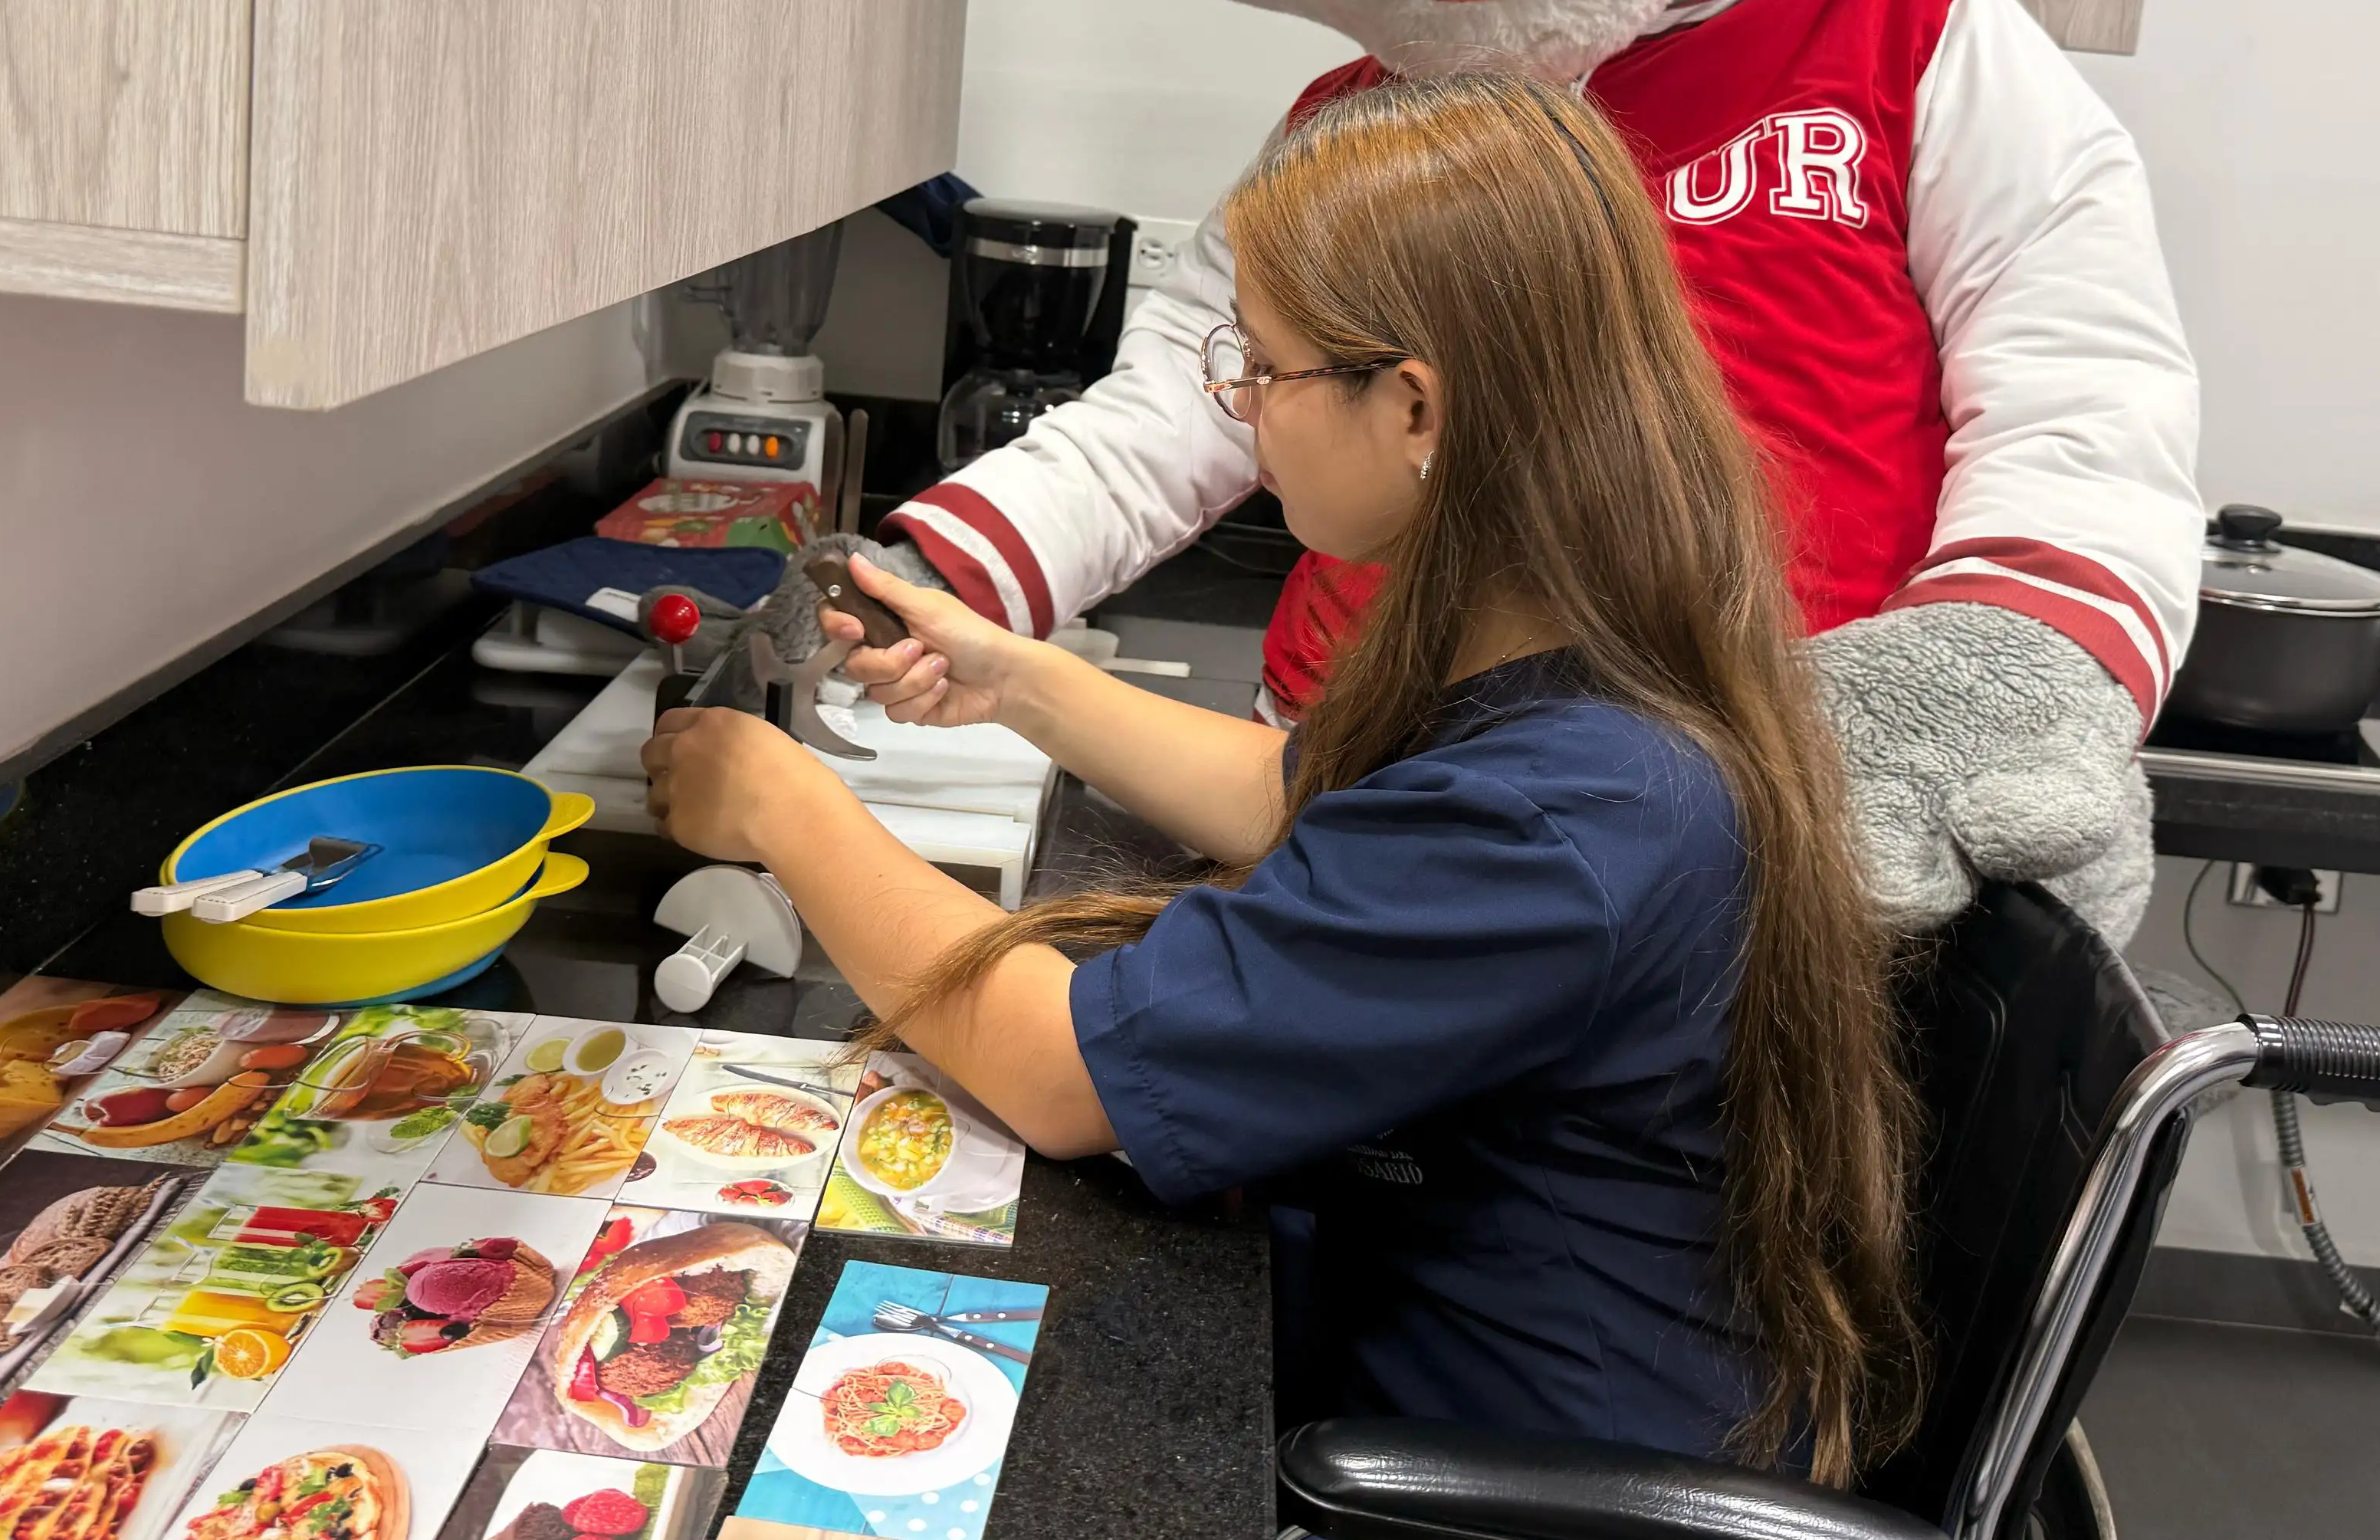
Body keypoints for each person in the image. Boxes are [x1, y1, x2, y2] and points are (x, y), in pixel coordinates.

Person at [641, 75, 1921, 1480]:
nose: (1241, 405)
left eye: (1261, 365)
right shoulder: (1595, 661)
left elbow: (1067, 1075)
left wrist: (781, 804)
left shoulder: (1566, 816)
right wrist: (1022, 680)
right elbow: (1310, 798)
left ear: (1415, 406)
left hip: (1508, 1488)